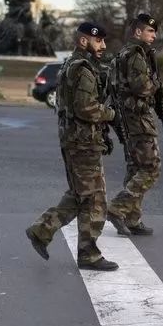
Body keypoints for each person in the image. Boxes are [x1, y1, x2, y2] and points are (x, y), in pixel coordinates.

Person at [25, 22, 119, 271]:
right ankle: (88, 254)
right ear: (83, 41)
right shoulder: (83, 69)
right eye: (98, 41)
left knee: (80, 195)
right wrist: (111, 114)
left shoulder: (71, 64)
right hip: (82, 143)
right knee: (94, 199)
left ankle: (42, 230)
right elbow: (86, 108)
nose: (103, 46)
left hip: (76, 140)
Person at [106, 13, 162, 237]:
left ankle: (132, 218)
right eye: (150, 31)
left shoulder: (124, 53)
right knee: (151, 168)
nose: (154, 36)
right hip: (138, 119)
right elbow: (143, 88)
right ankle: (118, 208)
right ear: (137, 32)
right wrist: (156, 83)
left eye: (154, 32)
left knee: (136, 168)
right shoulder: (136, 54)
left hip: (127, 118)